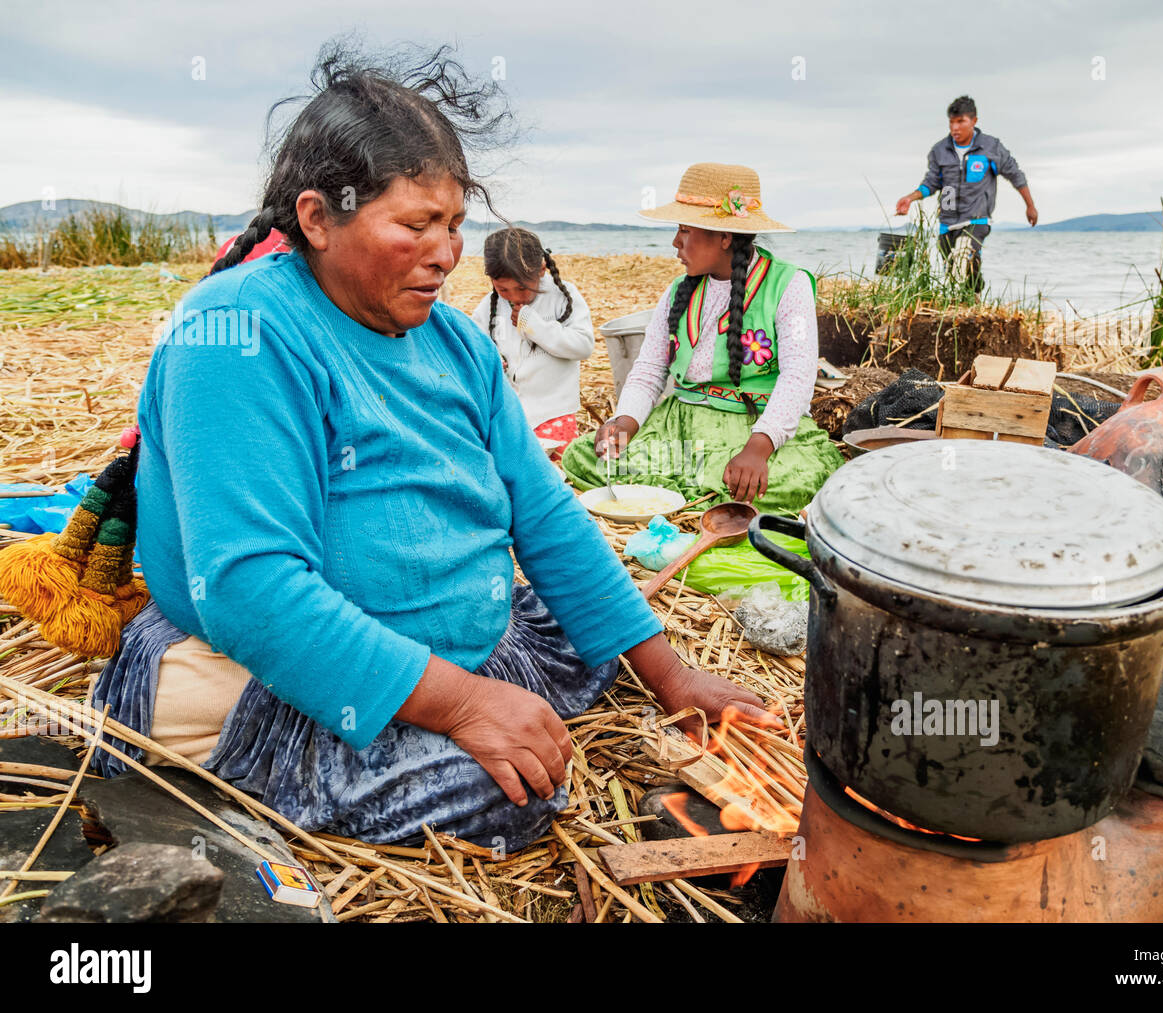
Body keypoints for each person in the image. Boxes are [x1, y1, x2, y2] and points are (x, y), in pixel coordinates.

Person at [79, 43, 774, 852]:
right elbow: (249, 586)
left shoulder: (454, 343)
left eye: (453, 225)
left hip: (439, 642)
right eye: (415, 225)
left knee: (596, 642)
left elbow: (544, 513)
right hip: (273, 671)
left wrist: (672, 676)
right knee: (511, 792)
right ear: (316, 219)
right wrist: (466, 705)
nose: (446, 254)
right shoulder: (236, 335)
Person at [561, 163, 844, 516]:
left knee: (794, 479)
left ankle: (694, 493)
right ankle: (703, 496)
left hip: (753, 425)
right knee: (586, 455)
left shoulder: (789, 285)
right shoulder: (678, 291)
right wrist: (626, 422)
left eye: (684, 230)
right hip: (679, 427)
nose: (675, 243)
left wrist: (759, 448)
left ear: (724, 236)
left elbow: (798, 376)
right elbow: (649, 369)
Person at [471, 228, 594, 459]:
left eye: (522, 288)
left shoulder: (562, 297)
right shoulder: (489, 306)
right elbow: (476, 347)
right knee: (509, 471)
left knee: (558, 473)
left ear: (541, 269)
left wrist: (535, 327)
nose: (515, 297)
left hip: (554, 414)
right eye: (503, 289)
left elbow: (583, 345)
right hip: (507, 416)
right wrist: (493, 361)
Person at [894, 95, 1038, 293]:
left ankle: (968, 301)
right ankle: (973, 301)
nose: (955, 128)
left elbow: (1016, 175)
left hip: (976, 219)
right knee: (954, 271)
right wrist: (910, 198)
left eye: (961, 121)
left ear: (974, 121)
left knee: (964, 254)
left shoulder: (991, 148)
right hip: (947, 221)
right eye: (952, 122)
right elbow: (932, 183)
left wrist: (1030, 205)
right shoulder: (939, 150)